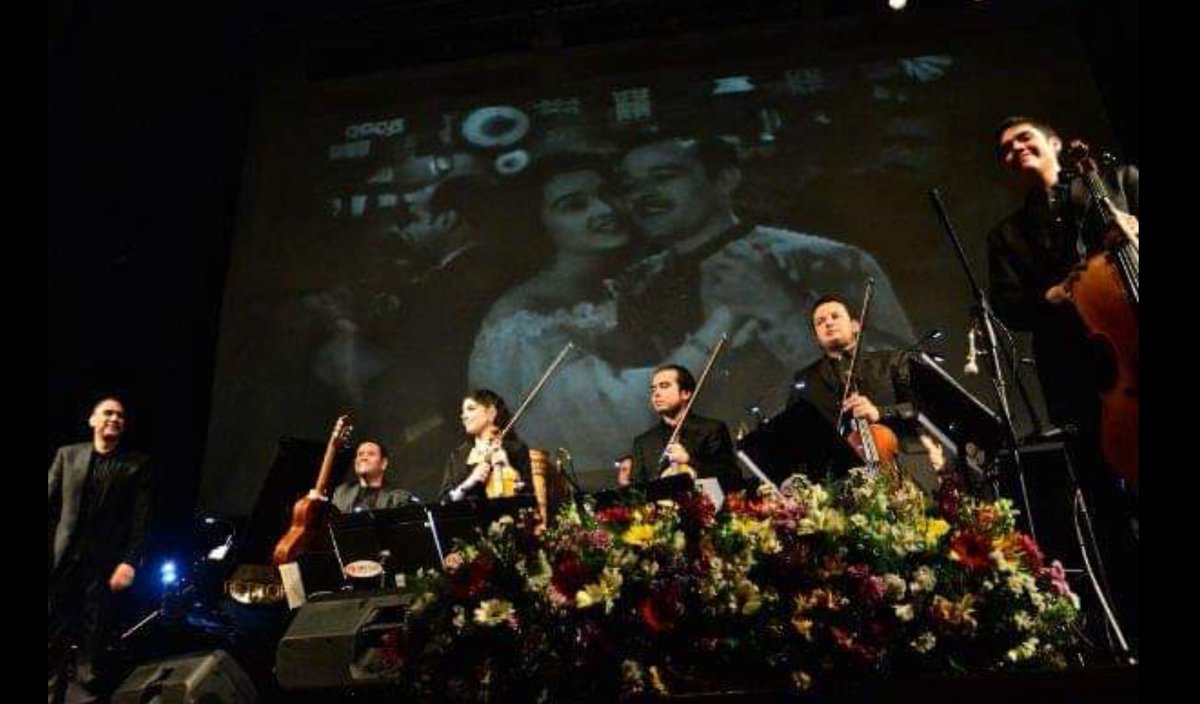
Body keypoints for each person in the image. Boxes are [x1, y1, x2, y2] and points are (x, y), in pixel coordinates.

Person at [48, 397, 152, 703]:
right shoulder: (67, 455)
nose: (114, 418)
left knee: (94, 633)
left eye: (120, 415)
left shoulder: (137, 465)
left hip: (103, 563)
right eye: (107, 413)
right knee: (53, 628)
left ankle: (83, 697)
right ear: (92, 420)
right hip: (62, 559)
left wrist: (129, 562)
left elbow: (140, 521)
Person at [788, 294, 940, 492]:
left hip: (903, 471)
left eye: (835, 316)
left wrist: (880, 412)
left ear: (855, 325)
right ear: (817, 336)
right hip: (839, 484)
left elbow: (922, 410)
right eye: (820, 322)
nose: (829, 323)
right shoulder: (805, 380)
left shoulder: (892, 362)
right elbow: (795, 434)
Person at [630, 365, 741, 493]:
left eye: (664, 386)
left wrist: (689, 461)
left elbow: (732, 476)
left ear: (686, 393)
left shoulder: (711, 429)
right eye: (653, 389)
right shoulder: (643, 442)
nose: (656, 393)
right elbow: (635, 492)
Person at [441, 390, 533, 501]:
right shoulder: (458, 456)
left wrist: (507, 466)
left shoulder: (516, 449)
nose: (463, 416)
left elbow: (528, 495)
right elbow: (445, 501)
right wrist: (469, 482)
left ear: (491, 413)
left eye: (471, 409)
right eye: (463, 411)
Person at [327, 440, 414, 513]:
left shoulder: (398, 498)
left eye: (371, 454)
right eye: (360, 454)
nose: (363, 458)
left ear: (383, 463)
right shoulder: (341, 493)